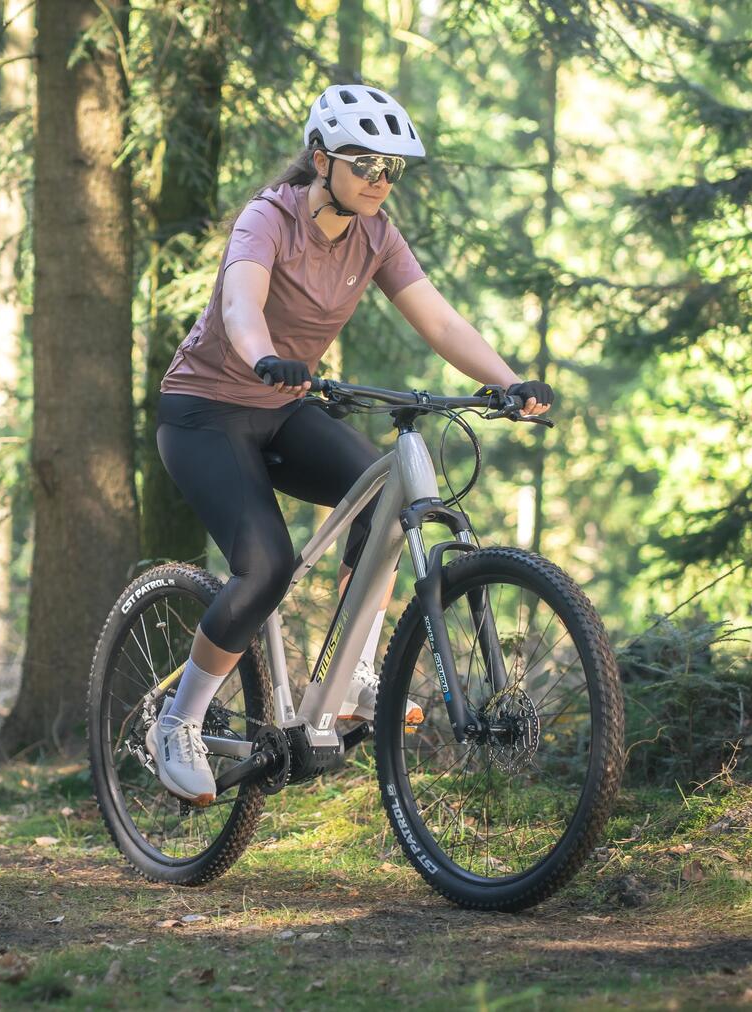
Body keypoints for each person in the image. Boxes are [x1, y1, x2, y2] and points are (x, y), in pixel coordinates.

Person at [148, 86, 554, 804]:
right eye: (364, 163)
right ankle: (178, 722)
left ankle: (353, 675)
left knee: (380, 496)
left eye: (390, 168)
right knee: (265, 567)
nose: (378, 179)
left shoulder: (377, 235)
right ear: (320, 160)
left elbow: (440, 321)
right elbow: (241, 303)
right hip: (204, 411)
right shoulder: (267, 218)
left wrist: (508, 382)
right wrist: (263, 355)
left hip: (282, 407)